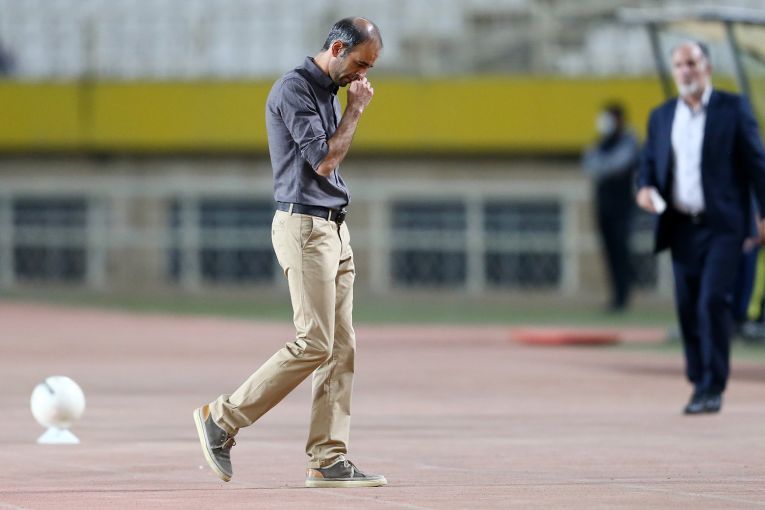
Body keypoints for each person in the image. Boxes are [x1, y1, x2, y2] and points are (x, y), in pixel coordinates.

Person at [194, 17, 386, 487]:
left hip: (333, 229)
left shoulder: (329, 91)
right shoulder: (295, 89)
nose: (362, 76)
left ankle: (327, 458)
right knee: (314, 342)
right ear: (337, 48)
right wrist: (356, 111)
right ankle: (222, 418)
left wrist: (347, 104)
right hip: (304, 228)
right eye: (360, 64)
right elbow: (324, 161)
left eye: (369, 68)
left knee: (341, 348)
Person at [636, 41, 765, 415]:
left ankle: (713, 385)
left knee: (713, 300)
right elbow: (649, 164)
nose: (685, 71)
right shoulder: (662, 116)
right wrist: (643, 188)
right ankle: (698, 380)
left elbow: (757, 164)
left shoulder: (733, 109)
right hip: (681, 226)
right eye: (679, 64)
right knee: (688, 306)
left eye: (691, 63)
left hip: (724, 225)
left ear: (707, 66)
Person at [582, 103, 640, 312]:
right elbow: (588, 164)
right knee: (609, 251)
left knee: (621, 249)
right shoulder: (601, 142)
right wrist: (602, 166)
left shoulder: (629, 141)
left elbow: (617, 165)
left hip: (621, 206)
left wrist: (602, 166)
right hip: (604, 204)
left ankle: (624, 294)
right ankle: (616, 296)